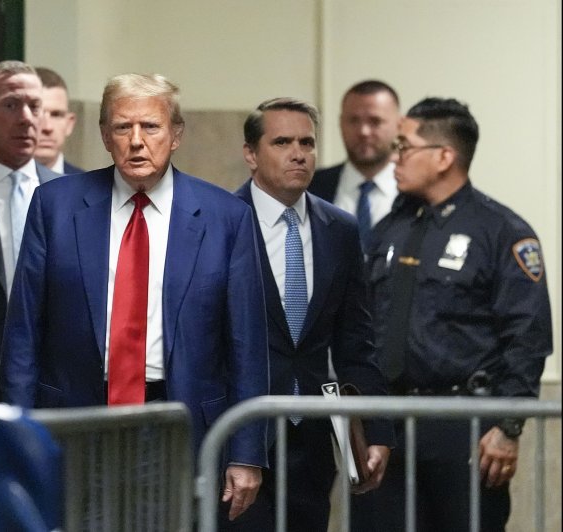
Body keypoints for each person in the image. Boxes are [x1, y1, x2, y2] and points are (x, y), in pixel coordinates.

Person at [0, 73, 269, 523]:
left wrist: (246, 453)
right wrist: (15, 435)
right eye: (123, 128)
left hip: (179, 425)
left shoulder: (226, 218)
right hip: (76, 421)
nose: (137, 142)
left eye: (151, 127)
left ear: (176, 134)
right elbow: (24, 332)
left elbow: (246, 345)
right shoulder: (55, 206)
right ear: (105, 136)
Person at [358, 97, 552, 531]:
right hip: (386, 424)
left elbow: (528, 336)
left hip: (463, 426)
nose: (396, 158)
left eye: (404, 147)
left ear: (444, 156)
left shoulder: (501, 231)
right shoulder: (392, 228)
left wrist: (508, 427)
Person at [233, 97, 393, 531]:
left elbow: (356, 340)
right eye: (282, 141)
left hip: (311, 442)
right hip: (240, 435)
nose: (298, 153)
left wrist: (376, 430)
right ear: (251, 153)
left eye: (307, 142)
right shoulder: (220, 222)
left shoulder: (339, 229)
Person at [0, 60, 61, 402]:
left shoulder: (71, 196)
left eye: (35, 107)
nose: (26, 118)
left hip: (54, 384)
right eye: (11, 105)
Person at [309, 80, 400, 252]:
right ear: (341, 123)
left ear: (398, 125)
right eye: (354, 120)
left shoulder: (419, 195)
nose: (363, 131)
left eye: (375, 121)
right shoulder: (308, 188)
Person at [35, 66, 85, 175]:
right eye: (37, 114)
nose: (47, 127)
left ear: (69, 124)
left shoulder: (92, 188)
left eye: (56, 115)